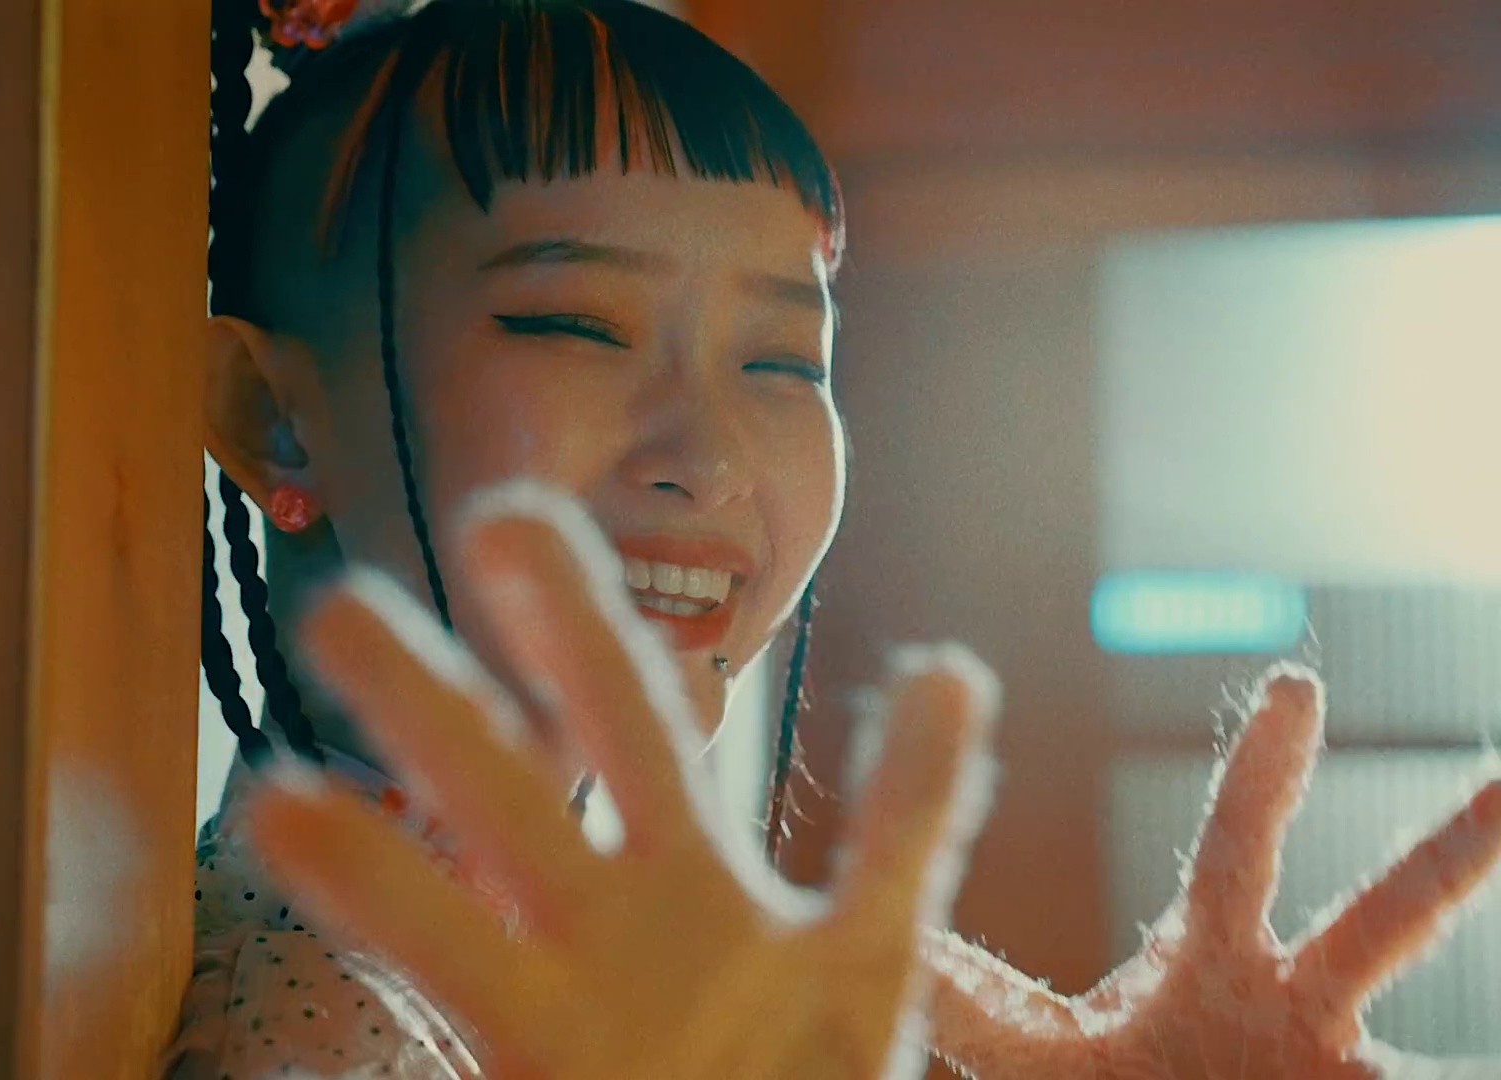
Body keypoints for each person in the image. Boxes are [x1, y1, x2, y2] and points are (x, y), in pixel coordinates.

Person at [170, 1, 1501, 1075]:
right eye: (575, 326)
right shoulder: (319, 1024)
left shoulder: (614, 967)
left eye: (783, 362)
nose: (710, 457)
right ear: (273, 416)